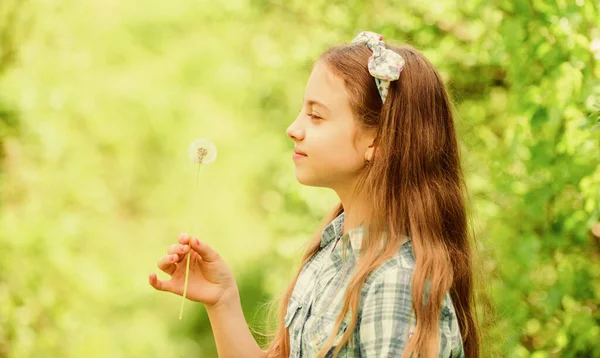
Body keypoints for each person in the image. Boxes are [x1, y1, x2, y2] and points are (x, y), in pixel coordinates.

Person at [149, 31, 481, 358]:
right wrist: (222, 301)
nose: (293, 129)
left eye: (316, 115)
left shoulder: (395, 284)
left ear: (376, 140)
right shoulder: (332, 253)